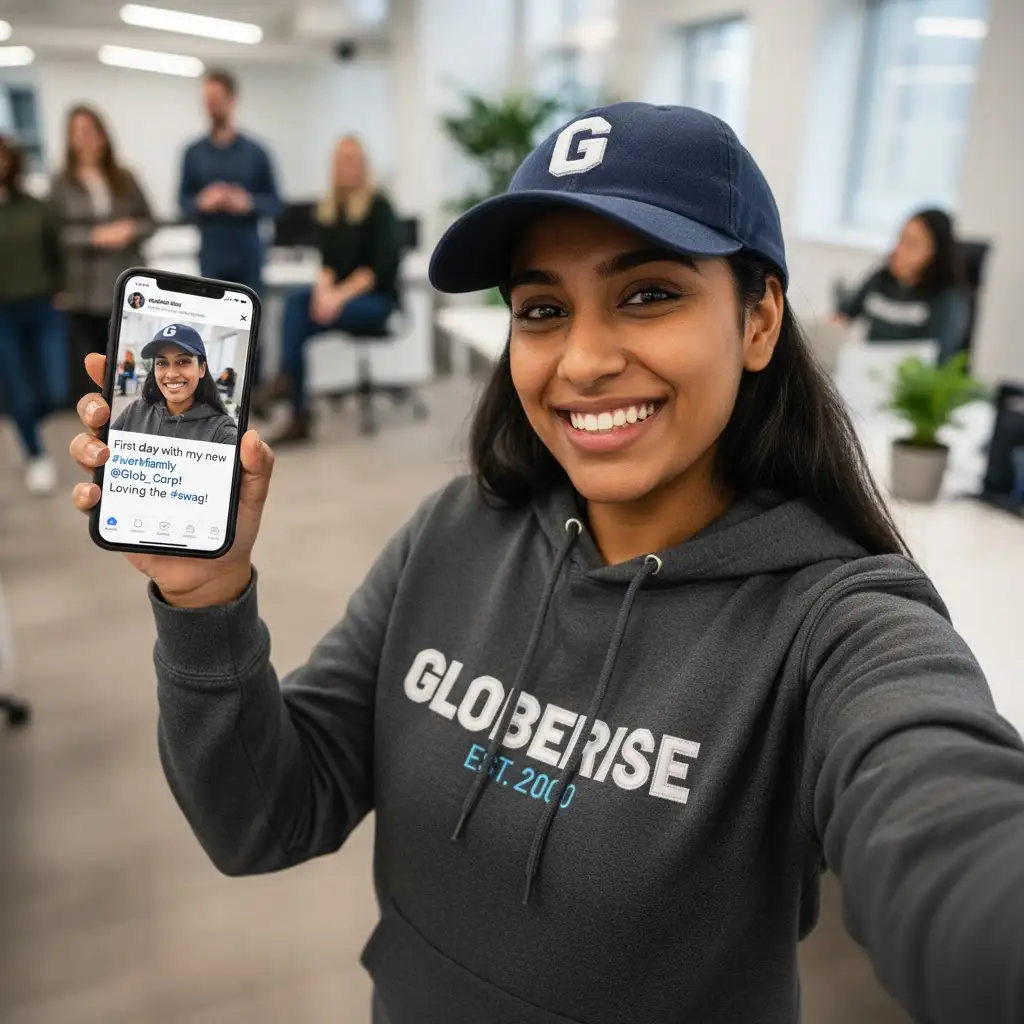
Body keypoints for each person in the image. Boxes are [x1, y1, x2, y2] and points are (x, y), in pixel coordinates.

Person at [70, 104, 1024, 1024]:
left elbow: (947, 828)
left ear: (761, 318)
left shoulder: (837, 622)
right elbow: (263, 819)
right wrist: (203, 596)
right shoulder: (455, 531)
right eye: (541, 308)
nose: (583, 360)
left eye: (648, 293)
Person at [256, 136, 400, 444]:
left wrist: (336, 298)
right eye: (342, 159)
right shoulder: (330, 209)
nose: (348, 165)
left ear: (363, 164)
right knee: (297, 303)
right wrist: (322, 295)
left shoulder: (379, 206)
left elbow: (378, 269)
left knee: (303, 319)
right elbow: (327, 266)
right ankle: (295, 404)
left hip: (375, 302)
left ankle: (289, 394)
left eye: (354, 159)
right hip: (340, 298)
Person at [178, 67, 281, 384]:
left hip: (248, 254)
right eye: (206, 100)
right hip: (212, 256)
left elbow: (276, 203)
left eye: (217, 99)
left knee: (251, 329)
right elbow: (182, 203)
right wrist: (202, 202)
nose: (211, 106)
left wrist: (247, 203)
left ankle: (255, 393)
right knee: (213, 329)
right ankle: (218, 394)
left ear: (232, 100)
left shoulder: (256, 152)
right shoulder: (193, 154)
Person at [50, 105, 155, 407]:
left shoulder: (125, 177)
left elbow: (150, 222)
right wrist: (93, 237)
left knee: (130, 355)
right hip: (84, 285)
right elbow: (54, 234)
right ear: (69, 139)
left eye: (92, 131)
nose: (87, 139)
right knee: (96, 359)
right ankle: (101, 417)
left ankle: (136, 411)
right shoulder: (61, 184)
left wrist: (129, 229)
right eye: (79, 133)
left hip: (126, 281)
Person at [0, 135, 67, 495]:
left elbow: (57, 250)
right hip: (3, 314)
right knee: (17, 388)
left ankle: (27, 424)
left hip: (43, 306)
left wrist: (63, 288)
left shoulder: (35, 207)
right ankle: (35, 453)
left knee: (56, 388)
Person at [835, 208, 969, 362]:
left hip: (910, 380)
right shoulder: (881, 277)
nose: (900, 249)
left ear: (935, 252)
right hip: (868, 370)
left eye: (912, 244)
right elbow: (844, 315)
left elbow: (940, 356)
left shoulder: (947, 297)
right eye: (901, 239)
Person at [110, 324, 237, 445]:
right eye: (162, 363)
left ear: (202, 369)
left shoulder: (220, 430)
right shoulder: (134, 411)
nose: (171, 374)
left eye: (183, 361)